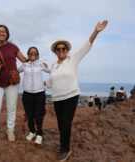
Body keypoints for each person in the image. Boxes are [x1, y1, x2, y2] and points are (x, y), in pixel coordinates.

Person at [45, 20, 108, 161]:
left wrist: (96, 31)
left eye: (63, 49)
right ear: (55, 51)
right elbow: (51, 82)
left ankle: (65, 149)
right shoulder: (53, 66)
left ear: (67, 50)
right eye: (58, 49)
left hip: (71, 96)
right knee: (61, 124)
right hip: (57, 98)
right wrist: (40, 82)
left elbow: (87, 46)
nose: (61, 50)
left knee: (66, 122)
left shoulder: (73, 60)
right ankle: (64, 144)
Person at [0, 24, 27, 142]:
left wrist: (18, 71)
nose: (1, 33)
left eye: (3, 31)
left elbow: (24, 60)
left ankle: (10, 130)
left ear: (7, 34)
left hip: (12, 81)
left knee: (11, 106)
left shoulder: (13, 47)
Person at [18, 47, 50, 144]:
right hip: (27, 94)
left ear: (37, 55)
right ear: (28, 55)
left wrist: (48, 83)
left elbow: (51, 71)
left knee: (39, 115)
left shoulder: (41, 65)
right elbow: (15, 72)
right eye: (31, 53)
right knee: (30, 115)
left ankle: (39, 134)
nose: (33, 55)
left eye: (35, 53)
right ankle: (32, 132)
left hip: (39, 94)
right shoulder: (24, 65)